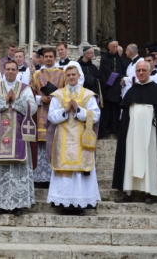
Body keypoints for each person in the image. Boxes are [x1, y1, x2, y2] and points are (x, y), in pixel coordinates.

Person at [113, 61, 157, 203]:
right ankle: (128, 191)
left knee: (150, 162)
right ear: (135, 72)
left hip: (151, 134)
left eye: (144, 70)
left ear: (150, 71)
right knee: (131, 160)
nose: (141, 73)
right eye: (138, 70)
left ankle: (151, 192)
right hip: (133, 134)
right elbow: (125, 117)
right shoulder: (131, 91)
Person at [0, 60, 37, 215]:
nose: (11, 72)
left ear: (18, 71)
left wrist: (16, 101)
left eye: (14, 69)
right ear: (3, 71)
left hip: (18, 136)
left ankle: (17, 204)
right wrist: (5, 100)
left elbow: (32, 108)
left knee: (17, 170)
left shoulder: (25, 89)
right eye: (8, 69)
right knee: (0, 170)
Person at [46, 65, 101, 215]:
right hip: (62, 140)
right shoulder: (58, 95)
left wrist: (78, 109)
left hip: (81, 141)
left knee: (79, 172)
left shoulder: (87, 95)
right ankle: (63, 203)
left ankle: (80, 203)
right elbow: (51, 116)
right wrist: (65, 110)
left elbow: (95, 115)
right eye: (68, 75)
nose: (71, 77)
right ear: (65, 77)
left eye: (73, 75)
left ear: (79, 75)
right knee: (64, 172)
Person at [30, 48, 66, 184]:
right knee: (41, 145)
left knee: (55, 143)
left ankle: (55, 175)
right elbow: (29, 93)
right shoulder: (36, 75)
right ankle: (40, 178)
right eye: (46, 56)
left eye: (51, 56)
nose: (49, 59)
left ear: (55, 58)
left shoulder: (62, 74)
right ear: (42, 58)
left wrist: (56, 99)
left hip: (57, 112)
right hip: (41, 113)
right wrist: (40, 99)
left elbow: (67, 92)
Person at [99, 40, 126, 138]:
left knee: (116, 110)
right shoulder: (104, 59)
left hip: (117, 88)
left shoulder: (119, 58)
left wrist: (123, 76)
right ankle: (106, 129)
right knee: (107, 109)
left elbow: (124, 69)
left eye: (116, 46)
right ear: (109, 47)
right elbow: (106, 72)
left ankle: (115, 129)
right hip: (109, 88)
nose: (115, 49)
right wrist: (120, 77)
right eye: (113, 47)